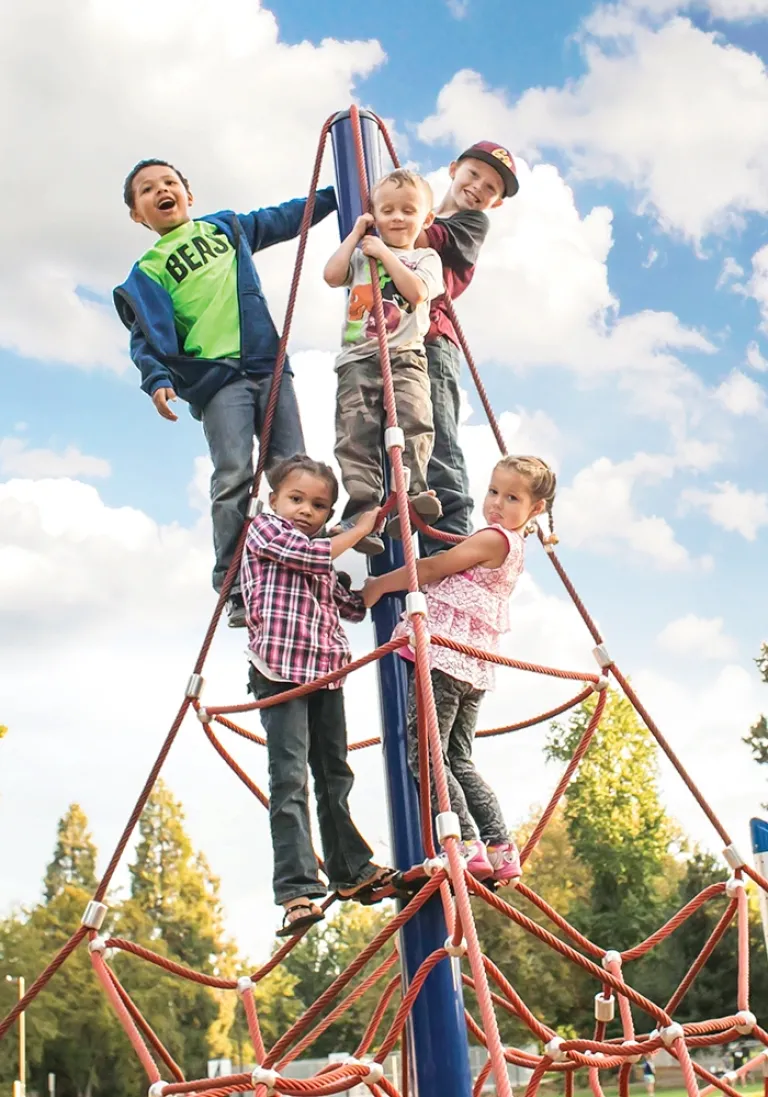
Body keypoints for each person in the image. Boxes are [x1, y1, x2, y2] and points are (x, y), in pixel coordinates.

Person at [114, 159, 338, 627]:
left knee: (293, 467)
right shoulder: (147, 272)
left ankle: (299, 563)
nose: (161, 191)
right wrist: (158, 381)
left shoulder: (225, 229)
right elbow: (144, 338)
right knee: (233, 472)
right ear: (138, 214)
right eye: (148, 190)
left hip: (266, 364)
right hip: (218, 381)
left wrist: (336, 197)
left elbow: (281, 217)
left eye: (170, 183)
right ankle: (233, 581)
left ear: (189, 194)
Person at [363, 456, 557, 885]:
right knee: (459, 759)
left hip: (445, 661)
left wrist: (379, 584)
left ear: (535, 509)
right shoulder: (517, 548)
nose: (496, 504)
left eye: (512, 498)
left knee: (426, 756)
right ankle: (500, 847)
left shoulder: (494, 539)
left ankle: (466, 844)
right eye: (492, 492)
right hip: (474, 666)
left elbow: (433, 567)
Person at [240, 454, 393, 936]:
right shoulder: (265, 532)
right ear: (274, 500)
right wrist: (362, 524)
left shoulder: (320, 553)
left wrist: (404, 581)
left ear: (328, 513)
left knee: (334, 774)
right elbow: (315, 555)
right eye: (297, 499)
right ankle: (296, 889)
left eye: (319, 505)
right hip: (281, 671)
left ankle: (351, 871)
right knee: (289, 780)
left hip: (326, 673)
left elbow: (352, 604)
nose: (306, 510)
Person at [323, 168, 445, 555]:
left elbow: (416, 291)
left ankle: (410, 495)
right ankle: (363, 511)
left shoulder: (425, 257)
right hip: (358, 359)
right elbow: (331, 275)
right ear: (374, 214)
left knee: (414, 419)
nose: (396, 217)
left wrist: (387, 256)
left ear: (425, 219)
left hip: (406, 356)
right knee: (356, 434)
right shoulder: (361, 255)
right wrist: (356, 236)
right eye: (387, 210)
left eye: (407, 210)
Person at [410, 141, 520, 557]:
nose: (478, 188)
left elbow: (422, 236)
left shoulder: (471, 224)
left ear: (495, 204)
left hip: (433, 342)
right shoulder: (422, 210)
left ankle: (450, 544)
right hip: (392, 338)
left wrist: (388, 211)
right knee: (396, 444)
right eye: (473, 174)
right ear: (454, 168)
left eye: (491, 188)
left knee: (437, 440)